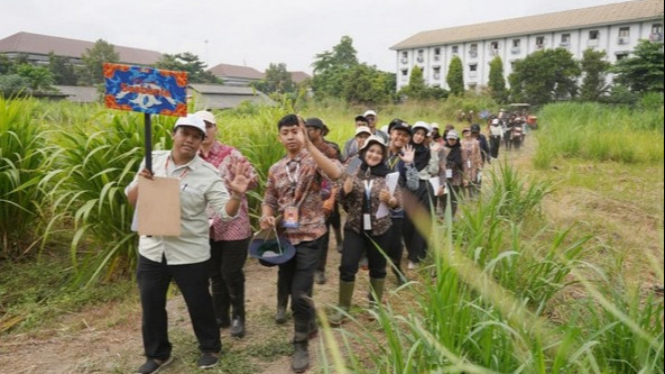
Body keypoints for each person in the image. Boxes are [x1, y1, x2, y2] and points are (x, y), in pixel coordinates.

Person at [126, 114, 253, 374]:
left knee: (198, 302)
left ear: (201, 142)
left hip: (189, 252)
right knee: (151, 304)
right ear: (174, 134)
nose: (190, 140)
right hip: (152, 249)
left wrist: (237, 195)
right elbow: (132, 200)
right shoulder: (153, 161)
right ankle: (158, 354)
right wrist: (141, 182)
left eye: (197, 136)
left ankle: (210, 347)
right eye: (185, 133)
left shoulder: (208, 173)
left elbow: (226, 212)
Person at [261, 114, 343, 373]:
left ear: (303, 134)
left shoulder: (313, 161)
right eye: (285, 132)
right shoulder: (275, 169)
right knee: (289, 284)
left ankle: (300, 343)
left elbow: (336, 173)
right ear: (280, 137)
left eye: (295, 131)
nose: (290, 136)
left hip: (310, 235)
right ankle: (308, 324)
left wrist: (310, 145)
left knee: (300, 291)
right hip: (285, 238)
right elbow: (270, 199)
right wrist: (265, 214)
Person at [194, 110, 258, 340]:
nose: (205, 130)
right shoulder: (192, 158)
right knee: (214, 274)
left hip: (234, 224)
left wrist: (242, 184)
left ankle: (239, 315)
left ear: (215, 128)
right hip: (206, 225)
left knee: (231, 272)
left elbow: (254, 178)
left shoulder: (231, 155)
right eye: (199, 126)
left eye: (208, 125)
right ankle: (221, 315)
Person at [329, 136, 402, 326]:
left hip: (381, 228)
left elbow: (398, 202)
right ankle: (343, 308)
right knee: (347, 266)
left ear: (383, 155)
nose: (374, 155)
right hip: (355, 227)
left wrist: (392, 201)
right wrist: (345, 190)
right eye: (371, 150)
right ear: (364, 151)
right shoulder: (353, 167)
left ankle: (374, 306)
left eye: (379, 152)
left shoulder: (389, 175)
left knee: (378, 268)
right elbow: (339, 197)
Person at [305, 117, 342, 286]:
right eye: (305, 128)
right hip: (306, 199)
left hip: (326, 198)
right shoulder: (300, 148)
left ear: (320, 131)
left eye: (311, 129)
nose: (307, 132)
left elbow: (341, 172)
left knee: (323, 234)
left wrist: (333, 197)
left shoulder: (331, 149)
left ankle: (320, 269)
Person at [385, 119, 419, 283]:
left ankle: (397, 270)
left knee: (396, 244)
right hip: (373, 206)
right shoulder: (376, 150)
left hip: (396, 209)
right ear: (391, 133)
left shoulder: (406, 158)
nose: (401, 137)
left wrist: (411, 164)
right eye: (398, 133)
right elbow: (353, 165)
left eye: (405, 135)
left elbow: (414, 185)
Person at [405, 122, 439, 269]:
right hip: (407, 189)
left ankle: (416, 257)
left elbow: (434, 170)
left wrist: (434, 153)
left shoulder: (428, 151)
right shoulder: (404, 149)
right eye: (416, 133)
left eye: (422, 134)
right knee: (407, 223)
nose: (418, 137)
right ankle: (410, 250)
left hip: (424, 187)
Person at [436, 130, 464, 219]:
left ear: (456, 140)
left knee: (453, 198)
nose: (451, 141)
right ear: (447, 139)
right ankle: (443, 214)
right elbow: (439, 164)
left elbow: (463, 164)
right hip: (444, 177)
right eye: (450, 139)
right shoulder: (443, 150)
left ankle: (452, 216)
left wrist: (465, 178)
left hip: (456, 177)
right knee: (443, 197)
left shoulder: (460, 150)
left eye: (453, 139)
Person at [461, 128, 483, 199]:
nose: (466, 133)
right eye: (464, 132)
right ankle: (464, 197)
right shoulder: (461, 142)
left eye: (467, 131)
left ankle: (472, 196)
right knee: (465, 179)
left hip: (474, 162)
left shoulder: (476, 142)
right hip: (464, 163)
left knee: (474, 179)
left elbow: (478, 153)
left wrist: (479, 164)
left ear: (470, 132)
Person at [470, 124, 490, 196]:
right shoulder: (468, 138)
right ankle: (471, 193)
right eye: (473, 132)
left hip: (480, 160)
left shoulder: (482, 138)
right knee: (471, 176)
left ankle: (477, 191)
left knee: (478, 175)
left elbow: (487, 148)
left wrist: (488, 156)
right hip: (470, 160)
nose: (474, 134)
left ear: (479, 131)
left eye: (476, 132)